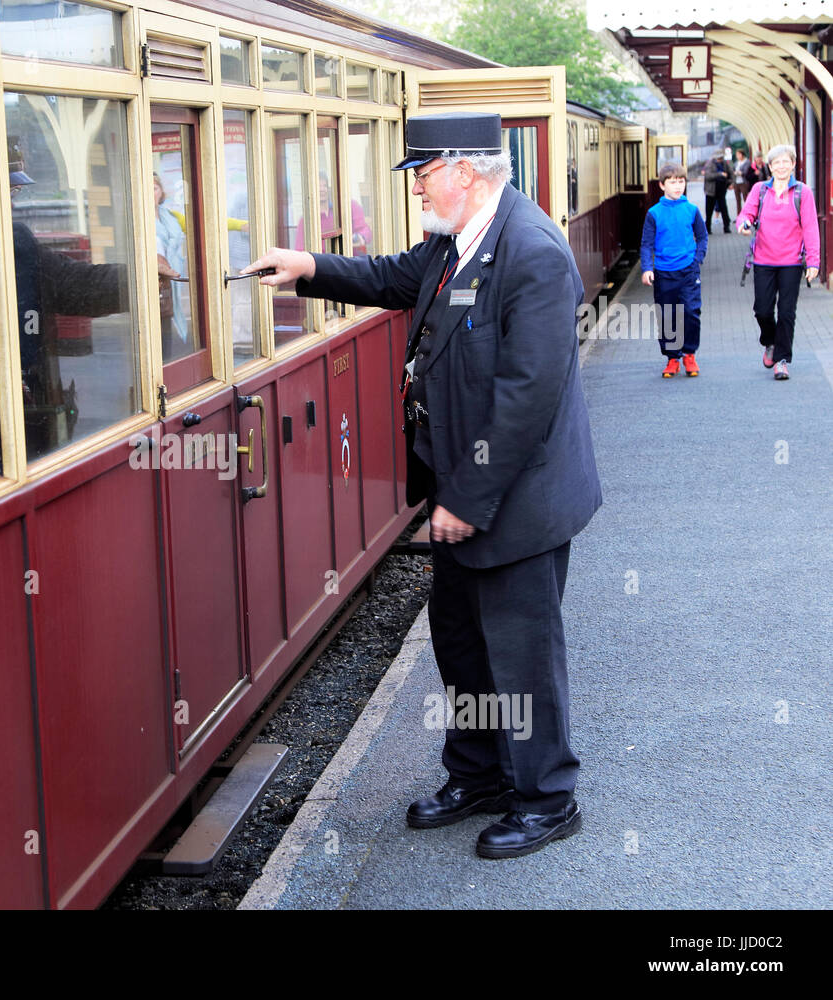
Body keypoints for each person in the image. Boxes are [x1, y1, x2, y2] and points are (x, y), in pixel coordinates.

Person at [244, 112, 602, 860]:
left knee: (521, 657)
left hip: (513, 504)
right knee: (463, 646)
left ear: (463, 171)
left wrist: (465, 503)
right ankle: (478, 775)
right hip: (459, 495)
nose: (416, 191)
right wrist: (308, 267)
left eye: (423, 175)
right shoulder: (454, 243)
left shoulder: (531, 253)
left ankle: (545, 797)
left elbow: (526, 399)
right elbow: (386, 278)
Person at [735, 144, 821, 380]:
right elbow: (746, 215)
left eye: (786, 162)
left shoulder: (803, 192)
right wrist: (742, 224)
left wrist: (813, 261)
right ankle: (769, 342)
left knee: (786, 312)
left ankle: (782, 360)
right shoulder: (760, 190)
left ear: (793, 164)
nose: (782, 166)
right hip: (763, 260)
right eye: (777, 163)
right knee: (762, 310)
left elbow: (810, 227)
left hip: (792, 262)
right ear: (770, 167)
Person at [640, 162, 708, 378]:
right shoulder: (654, 213)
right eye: (672, 182)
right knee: (668, 315)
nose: (678, 186)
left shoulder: (691, 210)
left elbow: (703, 236)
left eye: (681, 182)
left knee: (691, 311)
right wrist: (647, 268)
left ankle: (689, 354)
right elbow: (647, 244)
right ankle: (672, 358)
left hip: (688, 271)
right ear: (662, 185)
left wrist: (697, 259)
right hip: (663, 272)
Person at [153, 171, 191, 358]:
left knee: (166, 319)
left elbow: (210, 221)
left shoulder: (171, 216)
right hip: (154, 279)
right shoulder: (138, 219)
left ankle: (166, 362)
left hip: (170, 277)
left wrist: (243, 225)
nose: (151, 193)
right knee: (155, 323)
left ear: (161, 192)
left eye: (154, 188)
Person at [294, 171, 373, 255]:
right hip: (323, 265)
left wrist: (358, 238)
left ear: (329, 189)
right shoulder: (305, 221)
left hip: (350, 262)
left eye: (324, 185)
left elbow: (366, 231)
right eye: (318, 186)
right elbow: (300, 251)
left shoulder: (349, 207)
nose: (322, 189)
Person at [702, 151, 732, 234]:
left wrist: (730, 182)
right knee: (709, 210)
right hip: (711, 191)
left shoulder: (725, 163)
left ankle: (727, 227)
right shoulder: (709, 164)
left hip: (721, 189)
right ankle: (707, 228)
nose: (720, 160)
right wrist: (720, 174)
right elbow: (708, 176)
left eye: (721, 158)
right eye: (719, 158)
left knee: (724, 209)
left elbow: (731, 173)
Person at [732, 148, 757, 214]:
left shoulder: (747, 162)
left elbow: (745, 172)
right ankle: (739, 214)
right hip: (736, 182)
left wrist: (739, 173)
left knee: (746, 198)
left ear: (742, 155)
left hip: (744, 182)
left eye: (738, 154)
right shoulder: (736, 163)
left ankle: (747, 213)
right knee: (738, 200)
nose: (737, 156)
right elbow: (733, 171)